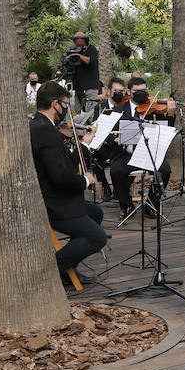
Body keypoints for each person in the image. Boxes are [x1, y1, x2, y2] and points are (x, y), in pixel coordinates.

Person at [29, 81, 108, 286]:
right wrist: (84, 181)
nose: (67, 109)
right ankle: (54, 269)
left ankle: (67, 268)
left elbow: (63, 162)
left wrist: (84, 144)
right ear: (55, 104)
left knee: (96, 213)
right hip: (54, 203)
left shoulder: (44, 126)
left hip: (59, 197)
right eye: (65, 104)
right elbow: (59, 176)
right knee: (98, 238)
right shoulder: (43, 130)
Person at [106, 76, 172, 217]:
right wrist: (117, 138)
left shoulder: (154, 109)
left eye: (144, 90)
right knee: (116, 171)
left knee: (165, 169)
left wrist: (171, 113)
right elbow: (108, 133)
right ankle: (127, 205)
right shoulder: (119, 110)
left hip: (149, 154)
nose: (142, 93)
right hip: (127, 154)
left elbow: (166, 128)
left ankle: (151, 204)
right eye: (137, 91)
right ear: (129, 92)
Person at [63, 31, 101, 111]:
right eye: (77, 42)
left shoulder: (91, 49)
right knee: (79, 111)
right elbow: (68, 65)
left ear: (85, 40)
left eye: (81, 41)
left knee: (91, 112)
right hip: (78, 88)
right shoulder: (73, 51)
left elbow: (91, 61)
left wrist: (79, 56)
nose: (79, 43)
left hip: (90, 87)